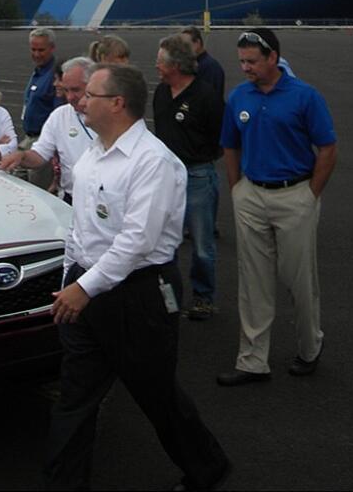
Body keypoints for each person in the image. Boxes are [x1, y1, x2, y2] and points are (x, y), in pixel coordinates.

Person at [44, 64, 230, 490]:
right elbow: (83, 226)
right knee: (74, 398)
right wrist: (71, 274)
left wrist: (83, 288)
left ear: (118, 103)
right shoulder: (92, 153)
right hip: (86, 290)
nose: (78, 100)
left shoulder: (154, 162)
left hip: (140, 297)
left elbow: (137, 242)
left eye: (89, 94)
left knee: (156, 393)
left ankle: (207, 467)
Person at [217, 28, 337, 386]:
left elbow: (328, 149)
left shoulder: (305, 96)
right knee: (252, 281)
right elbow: (230, 145)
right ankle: (252, 361)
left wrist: (310, 194)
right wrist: (238, 189)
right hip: (251, 195)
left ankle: (309, 348)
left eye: (252, 61)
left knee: (299, 280)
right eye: (241, 61)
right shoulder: (239, 97)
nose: (245, 67)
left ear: (273, 58)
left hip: (294, 195)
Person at [153, 35, 224, 320]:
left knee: (202, 244)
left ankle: (203, 297)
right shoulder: (160, 92)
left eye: (160, 61)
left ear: (176, 65)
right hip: (165, 177)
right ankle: (168, 295)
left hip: (197, 175)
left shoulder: (205, 96)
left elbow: (220, 136)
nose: (156, 65)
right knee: (162, 241)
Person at [0, 57, 94, 202]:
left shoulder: (112, 116)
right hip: (72, 199)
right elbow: (40, 154)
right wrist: (21, 156)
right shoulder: (59, 116)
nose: (70, 97)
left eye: (76, 90)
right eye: (66, 90)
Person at [18, 28, 59, 190]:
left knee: (37, 190)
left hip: (43, 143)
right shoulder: (38, 71)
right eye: (33, 49)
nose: (36, 54)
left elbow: (58, 113)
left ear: (52, 48)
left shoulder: (54, 76)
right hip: (29, 139)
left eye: (41, 50)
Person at [180, 26, 225, 99]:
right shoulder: (197, 64)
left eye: (186, 45)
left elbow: (210, 97)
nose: (183, 49)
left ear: (197, 43)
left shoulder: (210, 67)